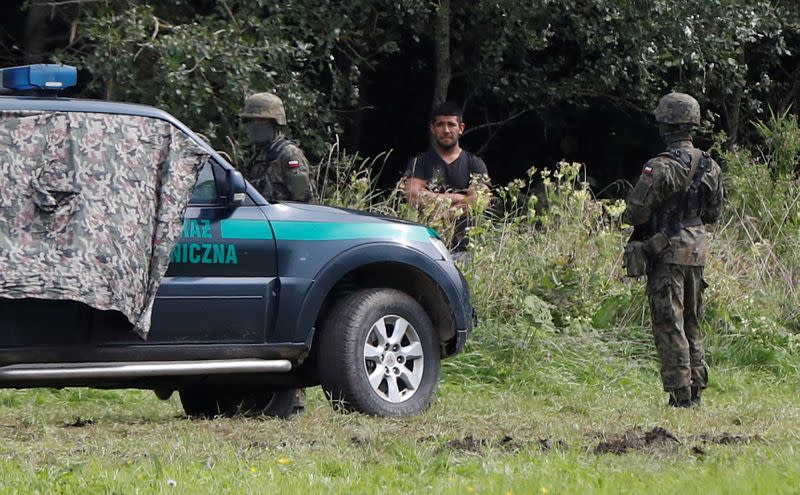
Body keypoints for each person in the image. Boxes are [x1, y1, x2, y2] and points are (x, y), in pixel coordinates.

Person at [624, 92, 724, 408]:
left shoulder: (660, 167)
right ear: (692, 123)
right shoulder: (710, 166)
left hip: (666, 253)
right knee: (692, 320)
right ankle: (695, 389)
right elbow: (713, 214)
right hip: (697, 251)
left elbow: (635, 213)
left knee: (670, 323)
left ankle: (680, 394)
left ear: (665, 124)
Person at [404, 101, 490, 251]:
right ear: (433, 129)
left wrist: (447, 214)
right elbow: (413, 196)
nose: (446, 130)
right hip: (426, 245)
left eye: (451, 124)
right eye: (440, 125)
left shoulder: (475, 163)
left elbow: (481, 200)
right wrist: (458, 197)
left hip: (465, 248)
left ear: (461, 128)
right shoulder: (420, 162)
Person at [241, 92, 315, 202]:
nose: (255, 125)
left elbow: (304, 201)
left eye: (261, 120)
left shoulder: (289, 155)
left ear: (275, 123)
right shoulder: (256, 154)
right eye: (251, 121)